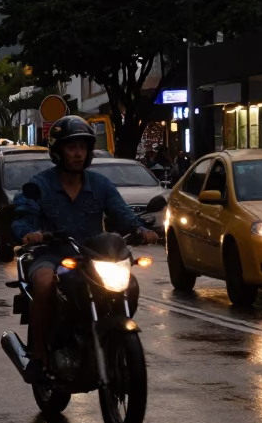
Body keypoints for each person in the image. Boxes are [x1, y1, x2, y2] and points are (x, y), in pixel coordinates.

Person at [12, 115, 158, 385]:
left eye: (83, 147)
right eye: (71, 147)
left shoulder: (101, 184)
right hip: (51, 254)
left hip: (94, 255)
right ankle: (39, 355)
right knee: (44, 283)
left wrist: (141, 230)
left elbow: (122, 214)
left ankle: (109, 335)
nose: (78, 153)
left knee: (129, 282)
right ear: (58, 150)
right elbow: (23, 214)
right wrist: (29, 233)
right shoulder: (40, 184)